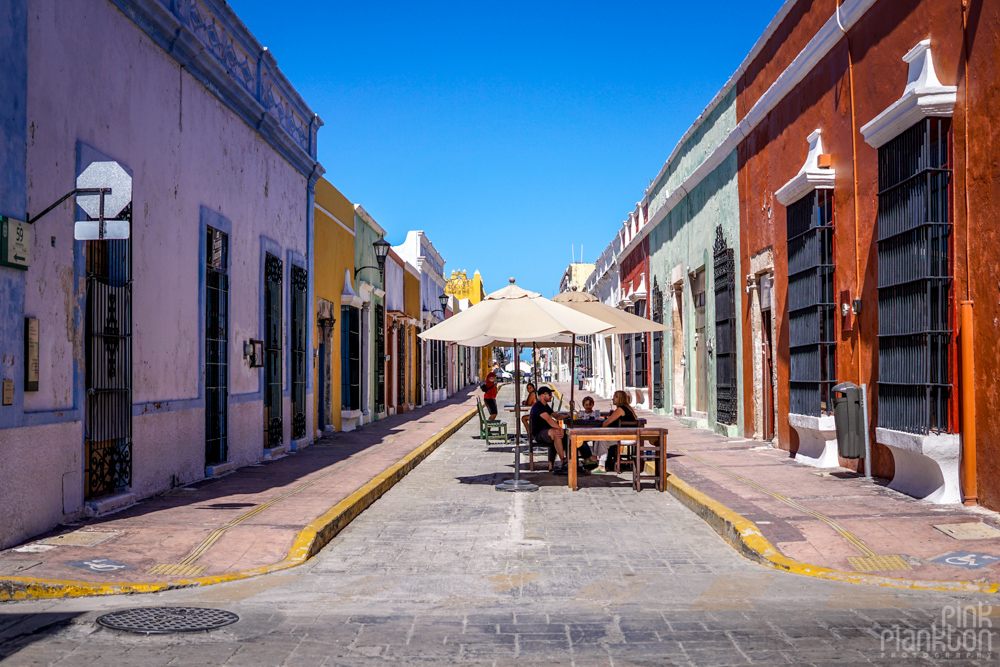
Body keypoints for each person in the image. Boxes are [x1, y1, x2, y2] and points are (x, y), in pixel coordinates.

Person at [529, 387, 592, 475]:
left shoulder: (545, 406)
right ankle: (563, 460)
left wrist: (567, 415)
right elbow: (549, 420)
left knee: (570, 434)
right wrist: (560, 428)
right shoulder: (538, 406)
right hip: (539, 433)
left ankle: (578, 459)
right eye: (550, 394)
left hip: (547, 432)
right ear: (543, 396)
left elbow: (557, 416)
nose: (551, 396)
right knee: (557, 432)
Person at [593, 390, 639, 473]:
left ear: (619, 398)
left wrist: (603, 426)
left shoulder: (620, 410)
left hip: (626, 438)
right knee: (601, 437)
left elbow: (607, 422)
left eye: (614, 397)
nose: (612, 399)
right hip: (630, 436)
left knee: (602, 439)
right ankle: (597, 460)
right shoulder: (628, 408)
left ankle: (599, 463)